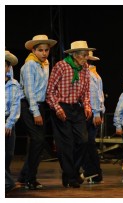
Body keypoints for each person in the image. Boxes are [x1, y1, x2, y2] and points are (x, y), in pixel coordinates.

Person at [46, 41, 93, 188]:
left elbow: (86, 91)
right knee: (66, 145)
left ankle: (70, 173)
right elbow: (50, 91)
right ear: (74, 55)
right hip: (61, 107)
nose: (86, 58)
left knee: (83, 140)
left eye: (87, 55)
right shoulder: (61, 66)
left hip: (76, 108)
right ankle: (72, 178)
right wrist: (57, 108)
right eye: (84, 55)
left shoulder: (85, 68)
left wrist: (87, 105)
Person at [19, 35, 57, 190]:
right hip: (28, 105)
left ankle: (25, 175)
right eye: (40, 50)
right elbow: (29, 91)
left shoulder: (45, 64)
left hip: (39, 105)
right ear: (33, 50)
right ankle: (30, 178)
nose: (44, 53)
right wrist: (35, 112)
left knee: (38, 142)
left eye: (46, 50)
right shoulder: (29, 65)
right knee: (38, 140)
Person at [80, 51, 105, 184]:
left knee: (87, 142)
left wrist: (97, 112)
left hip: (91, 111)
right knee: (89, 143)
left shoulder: (89, 73)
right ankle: (95, 173)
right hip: (94, 110)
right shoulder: (94, 73)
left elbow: (95, 94)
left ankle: (91, 171)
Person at [5, 51, 21, 174]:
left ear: (8, 67)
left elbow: (16, 105)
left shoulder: (14, 84)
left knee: (8, 152)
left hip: (8, 119)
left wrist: (9, 123)